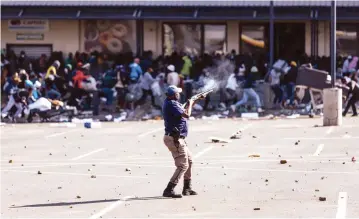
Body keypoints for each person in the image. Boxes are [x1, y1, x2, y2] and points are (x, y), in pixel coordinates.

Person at [162, 85, 200, 198]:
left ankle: (187, 188)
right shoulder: (172, 104)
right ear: (174, 95)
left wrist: (193, 101)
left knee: (190, 160)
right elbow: (187, 114)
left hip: (178, 138)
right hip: (175, 139)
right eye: (178, 93)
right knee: (183, 165)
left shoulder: (172, 103)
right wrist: (192, 102)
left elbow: (184, 110)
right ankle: (169, 189)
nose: (179, 94)